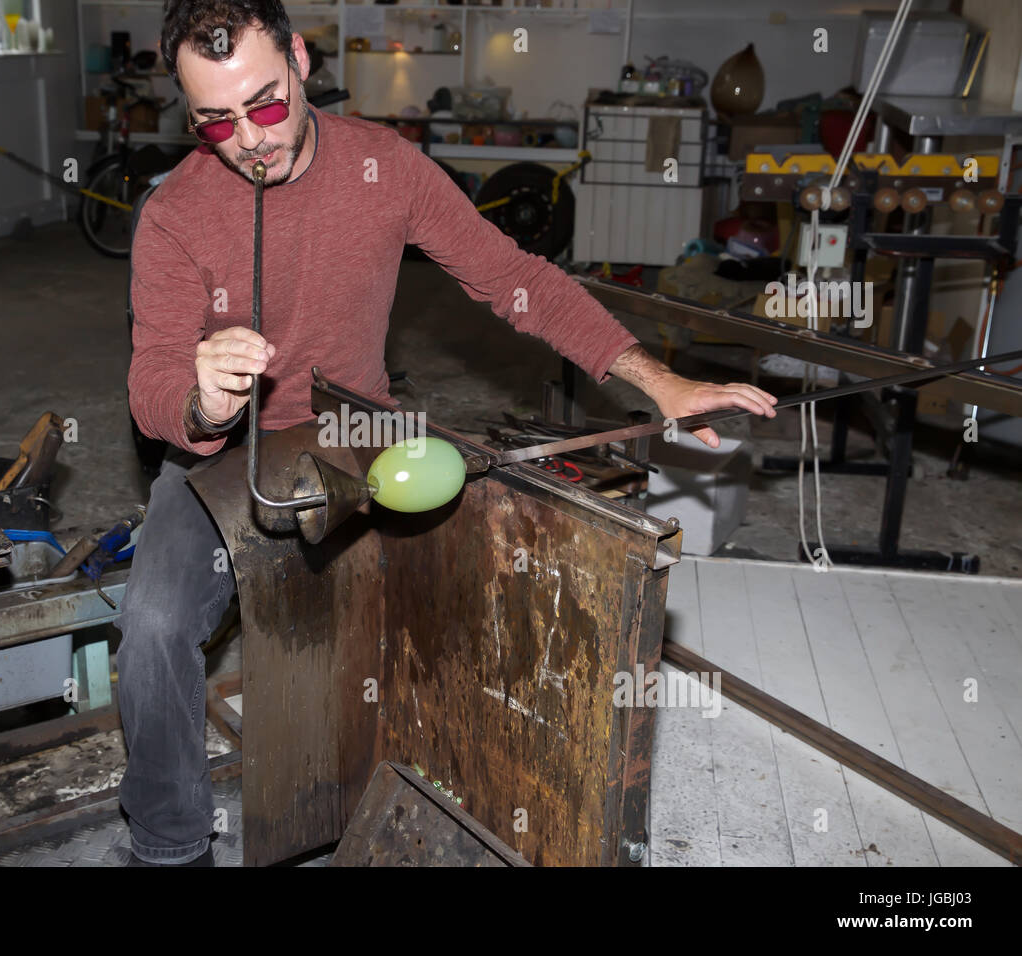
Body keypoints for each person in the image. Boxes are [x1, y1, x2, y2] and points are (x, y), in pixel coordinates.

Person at [118, 0, 777, 867]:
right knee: (153, 626)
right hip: (220, 460)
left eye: (267, 103)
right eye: (217, 121)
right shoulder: (175, 214)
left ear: (302, 61)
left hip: (357, 430)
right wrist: (203, 402)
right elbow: (151, 382)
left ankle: (461, 798)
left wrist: (658, 381)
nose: (251, 139)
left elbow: (516, 279)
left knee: (480, 585)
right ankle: (170, 849)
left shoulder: (382, 169)